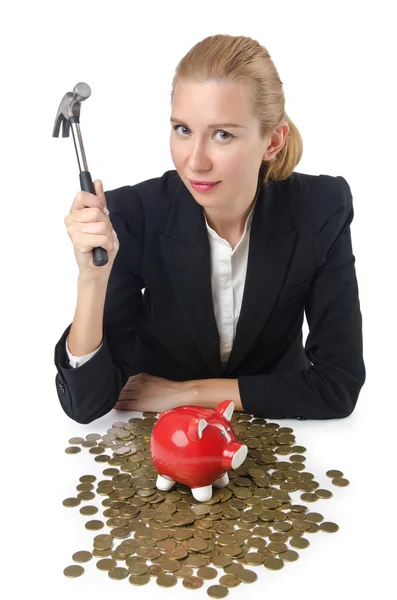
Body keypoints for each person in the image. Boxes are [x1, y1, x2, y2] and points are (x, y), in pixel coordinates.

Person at [54, 34, 366, 424]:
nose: (195, 162)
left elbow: (338, 385)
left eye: (223, 135)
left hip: (277, 425)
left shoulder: (321, 208)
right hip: (160, 436)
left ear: (273, 140)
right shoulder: (135, 213)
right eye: (183, 129)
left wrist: (188, 393)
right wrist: (91, 279)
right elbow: (86, 404)